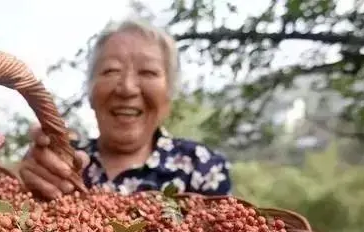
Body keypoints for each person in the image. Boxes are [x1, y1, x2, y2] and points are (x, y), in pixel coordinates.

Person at [18, 17, 232, 200]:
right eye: (111, 71)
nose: (127, 88)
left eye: (148, 72)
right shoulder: (67, 159)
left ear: (169, 94)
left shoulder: (202, 167)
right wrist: (35, 177)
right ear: (90, 92)